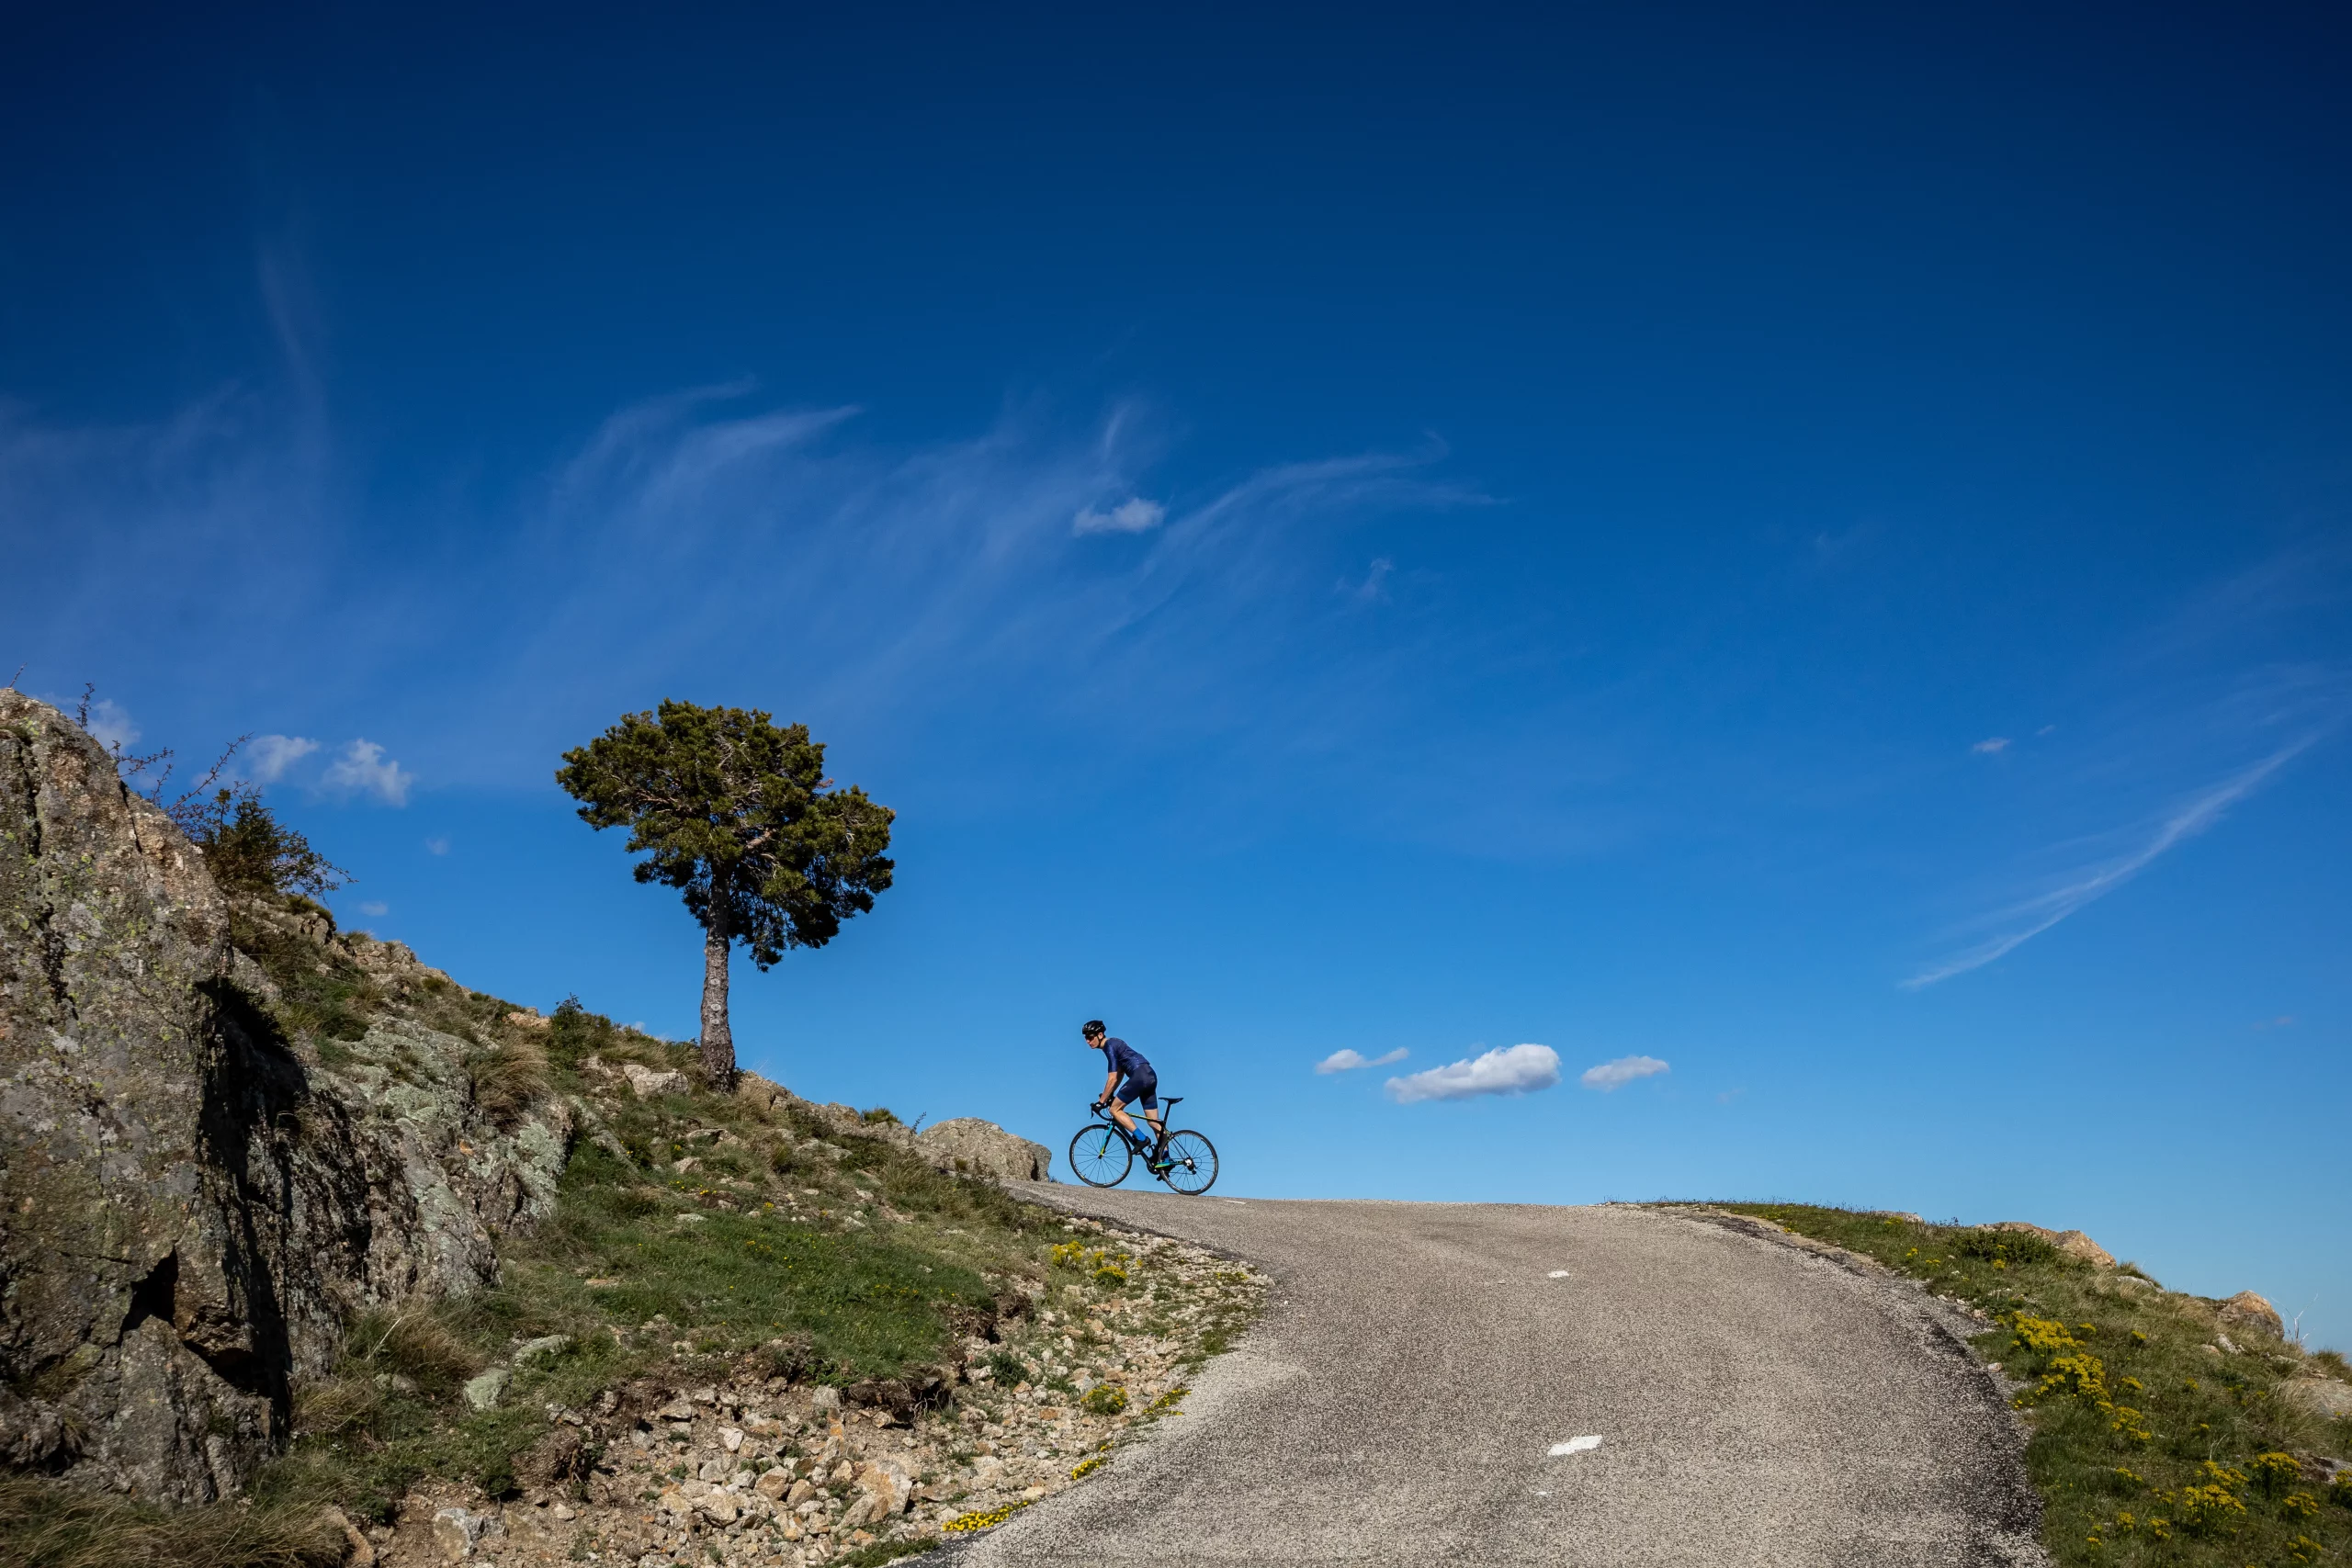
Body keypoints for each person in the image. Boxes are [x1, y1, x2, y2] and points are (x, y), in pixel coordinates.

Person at [1084, 1020, 1171, 1170]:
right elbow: (1119, 1075)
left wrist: (1101, 1101)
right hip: (1149, 1075)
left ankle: (1141, 1139)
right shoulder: (1116, 1045)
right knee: (1153, 1122)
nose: (1088, 1041)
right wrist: (1108, 1095)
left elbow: (1112, 1078)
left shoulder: (1109, 1045)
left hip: (1140, 1077)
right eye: (1086, 1038)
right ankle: (1166, 1158)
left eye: (1090, 1037)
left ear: (1100, 1034)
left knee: (1114, 1110)